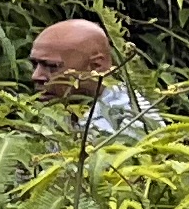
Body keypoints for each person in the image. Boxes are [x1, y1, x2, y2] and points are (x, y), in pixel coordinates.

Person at [28, 17, 158, 139]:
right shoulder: (63, 106)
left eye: (52, 66)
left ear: (96, 66)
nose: (35, 76)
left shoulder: (126, 123)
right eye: (35, 64)